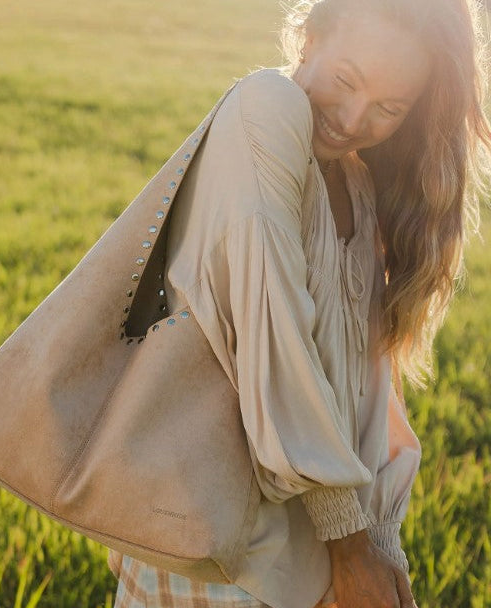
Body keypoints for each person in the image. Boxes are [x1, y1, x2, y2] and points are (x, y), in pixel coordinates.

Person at [107, 0, 491, 607]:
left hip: (307, 548)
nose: (353, 118)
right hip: (222, 547)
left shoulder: (357, 186)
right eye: (346, 81)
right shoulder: (265, 107)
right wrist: (349, 538)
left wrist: (381, 541)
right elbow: (274, 325)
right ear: (310, 38)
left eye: (390, 109)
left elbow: (368, 388)